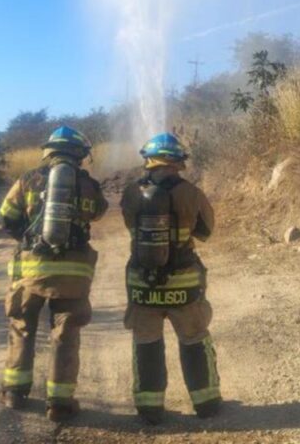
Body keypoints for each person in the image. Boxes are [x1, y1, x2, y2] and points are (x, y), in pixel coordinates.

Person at [0, 125, 108, 422]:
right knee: (65, 333)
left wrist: (29, 240)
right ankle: (59, 403)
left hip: (31, 271)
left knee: (22, 326)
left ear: (49, 151)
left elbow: (6, 216)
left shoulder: (28, 180)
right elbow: (99, 212)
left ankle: (14, 392)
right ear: (80, 154)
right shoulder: (88, 185)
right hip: (73, 274)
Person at [120, 132, 221, 425]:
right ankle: (206, 403)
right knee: (193, 338)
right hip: (183, 284)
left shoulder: (131, 193)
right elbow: (206, 232)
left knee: (146, 341)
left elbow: (130, 226)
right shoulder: (192, 193)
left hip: (143, 283)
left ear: (149, 160)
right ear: (178, 161)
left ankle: (149, 408)